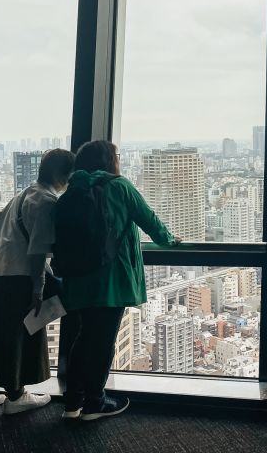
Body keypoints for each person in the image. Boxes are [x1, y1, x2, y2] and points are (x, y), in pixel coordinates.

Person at [58, 140, 179, 421]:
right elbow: (149, 221)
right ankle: (95, 402)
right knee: (102, 341)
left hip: (78, 278)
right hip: (110, 280)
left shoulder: (72, 190)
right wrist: (170, 240)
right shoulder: (119, 186)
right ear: (108, 160)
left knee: (83, 337)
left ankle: (73, 402)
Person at [0, 149, 75, 414]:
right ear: (60, 174)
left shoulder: (24, 193)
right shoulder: (46, 201)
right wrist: (38, 287)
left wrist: (6, 254)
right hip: (19, 276)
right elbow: (37, 250)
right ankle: (15, 395)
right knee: (18, 334)